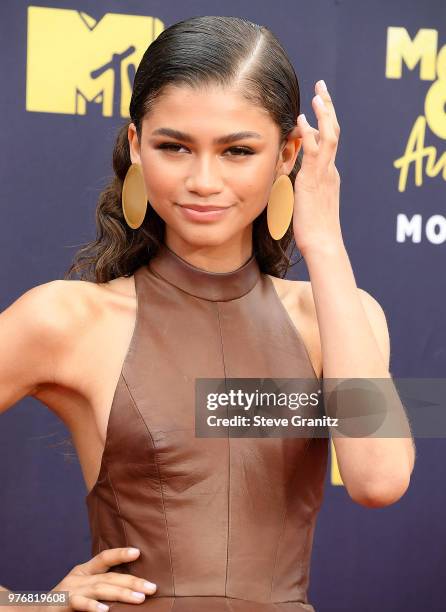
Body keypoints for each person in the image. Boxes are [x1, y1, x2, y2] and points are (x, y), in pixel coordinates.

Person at [0, 14, 415, 612]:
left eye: (237, 151)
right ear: (137, 144)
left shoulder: (338, 319)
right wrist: (30, 602)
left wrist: (324, 241)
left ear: (287, 154)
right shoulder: (68, 319)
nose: (202, 180)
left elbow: (379, 480)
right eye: (174, 146)